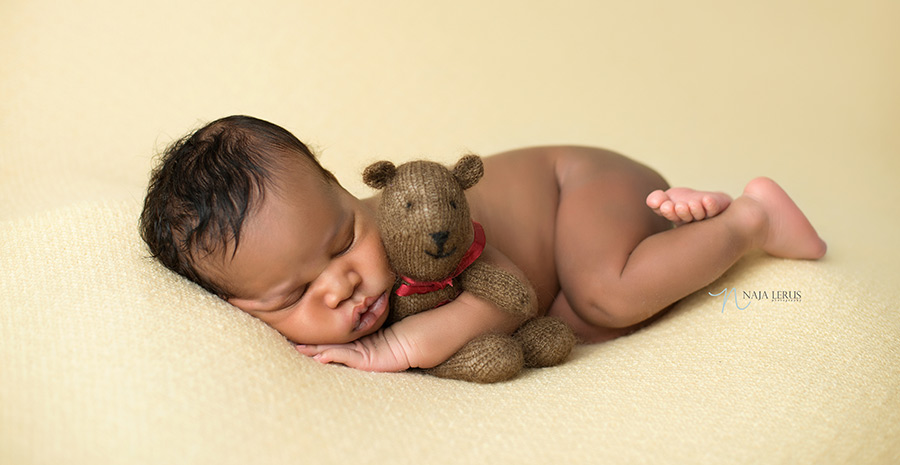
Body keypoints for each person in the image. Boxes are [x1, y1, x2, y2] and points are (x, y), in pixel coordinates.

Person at [140, 115, 827, 373]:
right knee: (580, 323)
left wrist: (397, 347)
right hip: (567, 250)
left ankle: (748, 219)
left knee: (605, 293)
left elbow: (500, 301)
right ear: (239, 308)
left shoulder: (414, 234)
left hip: (579, 186)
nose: (340, 283)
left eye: (345, 239)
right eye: (292, 294)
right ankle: (677, 227)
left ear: (347, 190)